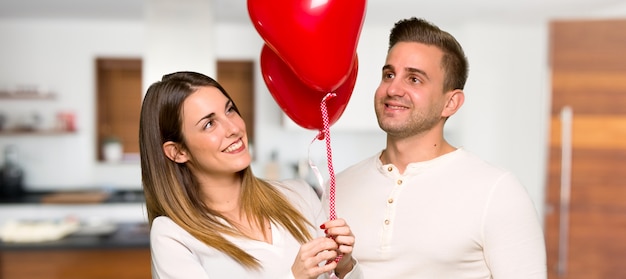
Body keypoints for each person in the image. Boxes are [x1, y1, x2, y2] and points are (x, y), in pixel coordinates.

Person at [323, 17, 547, 278]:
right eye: (389, 74)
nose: (393, 88)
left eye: (414, 79)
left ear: (450, 103)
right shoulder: (338, 187)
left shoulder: (498, 192)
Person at [139, 71, 362, 279]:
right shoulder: (172, 236)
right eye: (209, 124)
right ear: (178, 152)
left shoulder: (299, 194)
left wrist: (345, 267)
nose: (233, 128)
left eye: (229, 110)